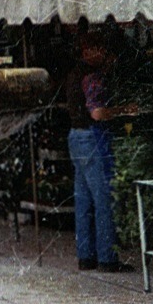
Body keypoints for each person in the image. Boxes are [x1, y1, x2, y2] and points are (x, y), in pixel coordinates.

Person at [65, 34, 137, 272]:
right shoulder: (92, 76)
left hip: (76, 136)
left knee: (83, 200)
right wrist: (123, 110)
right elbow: (97, 113)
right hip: (93, 138)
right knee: (104, 200)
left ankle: (86, 257)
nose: (104, 55)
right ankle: (107, 259)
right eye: (101, 50)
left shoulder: (73, 74)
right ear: (89, 51)